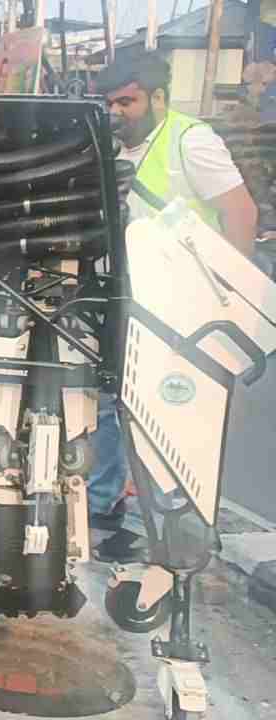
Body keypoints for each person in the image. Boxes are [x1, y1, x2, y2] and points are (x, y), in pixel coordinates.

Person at [87, 53, 258, 562]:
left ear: (158, 98)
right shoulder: (117, 148)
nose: (117, 112)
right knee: (114, 402)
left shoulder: (190, 141)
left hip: (187, 306)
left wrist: (230, 296)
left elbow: (240, 212)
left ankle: (183, 525)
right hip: (135, 298)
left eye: (127, 101)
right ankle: (103, 505)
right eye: (110, 103)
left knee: (176, 411)